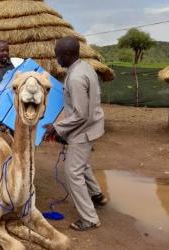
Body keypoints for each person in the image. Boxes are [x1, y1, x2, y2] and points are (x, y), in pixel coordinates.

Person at [43, 36, 108, 231]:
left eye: (58, 55)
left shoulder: (76, 77)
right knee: (80, 163)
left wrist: (57, 128)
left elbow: (81, 114)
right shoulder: (84, 67)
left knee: (73, 172)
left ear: (68, 55)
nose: (57, 59)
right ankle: (97, 195)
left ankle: (89, 218)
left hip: (83, 130)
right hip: (91, 125)